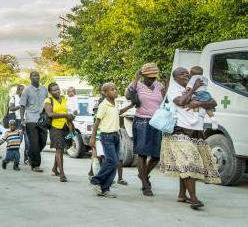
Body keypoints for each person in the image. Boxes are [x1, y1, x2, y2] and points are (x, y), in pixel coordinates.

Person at [160, 67, 220, 210]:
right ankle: (193, 199)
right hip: (178, 131)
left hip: (196, 132)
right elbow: (181, 102)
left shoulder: (199, 90)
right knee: (188, 161)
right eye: (182, 74)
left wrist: (198, 103)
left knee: (184, 164)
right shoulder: (173, 91)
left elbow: (213, 103)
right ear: (175, 78)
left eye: (187, 73)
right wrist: (192, 89)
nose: (186, 75)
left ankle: (182, 195)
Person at [125, 63, 164, 196]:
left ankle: (143, 175)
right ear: (143, 76)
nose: (152, 79)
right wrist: (135, 79)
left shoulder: (160, 86)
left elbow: (165, 101)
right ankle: (145, 185)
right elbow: (128, 96)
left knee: (156, 155)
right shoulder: (138, 85)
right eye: (149, 77)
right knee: (142, 153)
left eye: (154, 77)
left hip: (157, 122)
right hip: (141, 121)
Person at [89, 83, 133, 198]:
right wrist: (93, 138)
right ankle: (96, 180)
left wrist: (131, 105)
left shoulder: (114, 104)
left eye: (115, 89)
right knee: (112, 161)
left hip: (116, 135)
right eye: (112, 90)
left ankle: (105, 189)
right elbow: (97, 122)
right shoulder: (103, 105)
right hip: (107, 136)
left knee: (115, 162)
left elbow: (118, 112)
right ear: (105, 93)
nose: (115, 91)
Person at [44, 82, 75, 182]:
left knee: (62, 148)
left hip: (67, 127)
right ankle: (62, 174)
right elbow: (50, 114)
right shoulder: (48, 100)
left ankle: (54, 169)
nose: (57, 91)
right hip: (55, 127)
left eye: (58, 89)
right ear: (50, 92)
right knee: (59, 148)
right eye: (54, 90)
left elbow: (70, 110)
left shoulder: (65, 99)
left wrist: (73, 114)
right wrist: (65, 115)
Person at [20, 71, 48, 172]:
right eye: (34, 76)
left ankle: (30, 153)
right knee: (34, 142)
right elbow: (22, 105)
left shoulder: (44, 89)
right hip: (30, 119)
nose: (37, 77)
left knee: (43, 141)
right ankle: (35, 165)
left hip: (42, 119)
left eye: (38, 75)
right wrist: (22, 119)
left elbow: (48, 102)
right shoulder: (26, 90)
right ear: (30, 78)